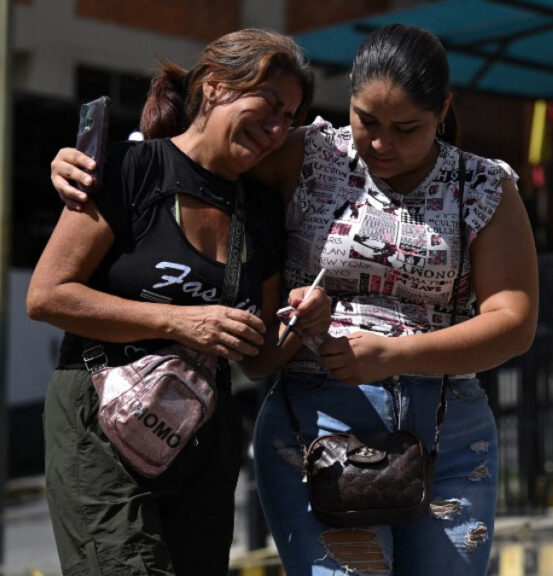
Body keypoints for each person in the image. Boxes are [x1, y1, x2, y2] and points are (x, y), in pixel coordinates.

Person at [51, 23, 538, 576]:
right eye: (366, 121)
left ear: (443, 109)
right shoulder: (306, 153)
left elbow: (514, 322)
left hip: (449, 434)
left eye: (407, 128)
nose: (380, 144)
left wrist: (396, 355)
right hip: (319, 423)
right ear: (348, 97)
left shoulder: (483, 186)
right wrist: (87, 166)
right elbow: (190, 160)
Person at [29, 28, 330, 576]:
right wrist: (180, 321)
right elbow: (47, 295)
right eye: (268, 106)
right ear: (214, 87)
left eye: (289, 117)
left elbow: (256, 357)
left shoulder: (260, 211)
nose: (277, 128)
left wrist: (303, 326)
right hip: (99, 414)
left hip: (202, 432)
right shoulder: (128, 169)